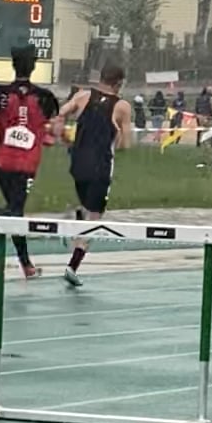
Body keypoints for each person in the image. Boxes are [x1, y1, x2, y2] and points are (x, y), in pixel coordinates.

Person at [0, 44, 59, 279]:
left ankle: (26, 265)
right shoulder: (45, 97)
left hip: (2, 163)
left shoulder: (0, 93)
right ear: (33, 67)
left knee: (16, 213)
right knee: (15, 213)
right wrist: (51, 133)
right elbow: (57, 121)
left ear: (13, 65)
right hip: (27, 165)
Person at [57, 61, 133, 287]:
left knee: (86, 208)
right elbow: (126, 144)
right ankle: (73, 265)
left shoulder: (82, 96)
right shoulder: (122, 107)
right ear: (119, 83)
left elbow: (60, 114)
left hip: (78, 163)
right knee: (95, 217)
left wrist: (63, 136)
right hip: (100, 166)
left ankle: (77, 219)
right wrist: (118, 133)